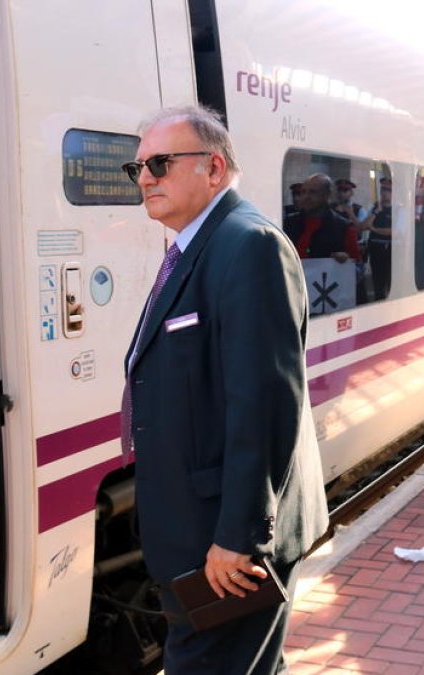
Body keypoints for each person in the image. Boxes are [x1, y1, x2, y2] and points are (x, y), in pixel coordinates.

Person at [120, 105, 328, 673]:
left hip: (228, 546)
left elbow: (262, 404)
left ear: (214, 168)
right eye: (136, 167)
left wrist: (239, 536)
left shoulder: (248, 245)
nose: (144, 178)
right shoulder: (200, 245)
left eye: (159, 163)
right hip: (197, 535)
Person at [284, 173, 363, 263]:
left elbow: (356, 265)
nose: (306, 197)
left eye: (313, 192)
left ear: (327, 195)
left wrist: (346, 258)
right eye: (303, 192)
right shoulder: (289, 222)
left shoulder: (344, 227)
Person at [360, 182, 393, 300]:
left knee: (389, 283)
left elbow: (393, 231)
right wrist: (375, 212)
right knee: (377, 282)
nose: (384, 193)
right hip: (375, 250)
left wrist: (373, 228)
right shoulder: (374, 208)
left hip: (389, 250)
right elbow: (363, 226)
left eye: (388, 190)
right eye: (383, 190)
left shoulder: (397, 209)